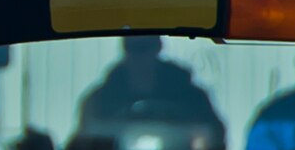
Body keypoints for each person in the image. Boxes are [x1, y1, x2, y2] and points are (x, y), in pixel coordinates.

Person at [75, 35, 224, 134]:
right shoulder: (100, 100)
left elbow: (215, 135)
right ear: (125, 49)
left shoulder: (191, 96)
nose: (139, 56)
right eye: (133, 47)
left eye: (145, 46)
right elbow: (84, 139)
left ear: (158, 47)